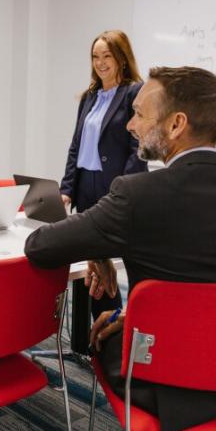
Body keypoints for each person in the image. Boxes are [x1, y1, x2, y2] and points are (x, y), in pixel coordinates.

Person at [25, 66, 216, 431]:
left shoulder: (137, 195)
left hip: (162, 379)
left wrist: (100, 248)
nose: (129, 126)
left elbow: (41, 247)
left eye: (138, 114)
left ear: (175, 124)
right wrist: (104, 255)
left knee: (103, 332)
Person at [58, 29, 147, 350]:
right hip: (85, 185)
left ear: (121, 57)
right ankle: (85, 339)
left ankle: (113, 333)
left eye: (106, 56)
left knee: (109, 261)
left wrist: (122, 191)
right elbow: (76, 146)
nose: (100, 63)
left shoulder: (135, 93)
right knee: (88, 261)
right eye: (95, 57)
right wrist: (66, 188)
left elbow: (138, 148)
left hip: (116, 188)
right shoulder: (89, 97)